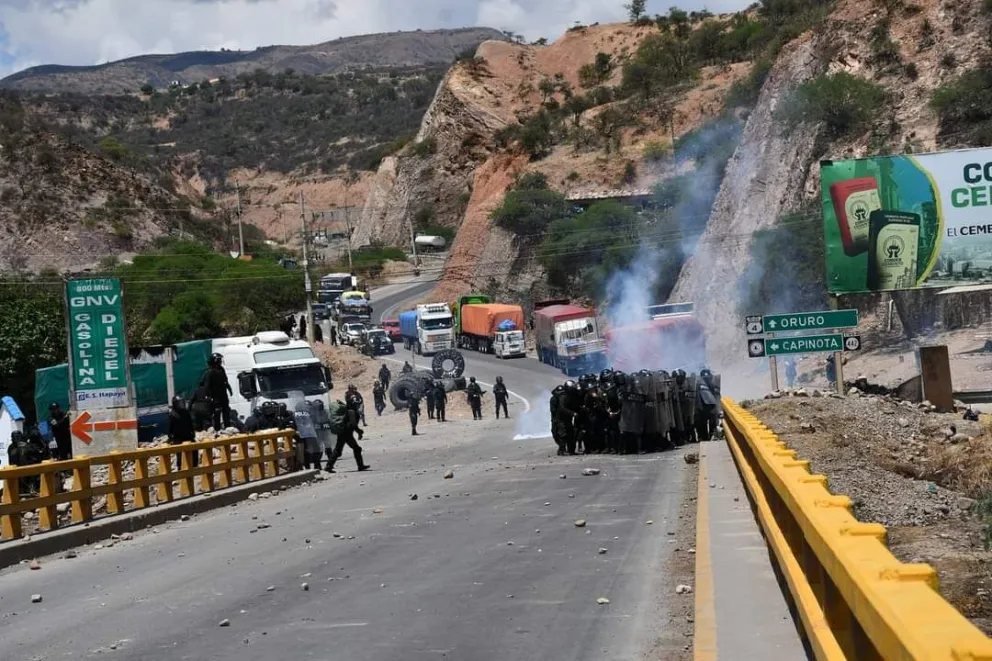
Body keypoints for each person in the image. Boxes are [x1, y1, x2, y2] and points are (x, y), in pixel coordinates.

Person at [325, 397, 369, 473]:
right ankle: (360, 466)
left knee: (338, 450)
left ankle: (329, 466)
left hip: (344, 432)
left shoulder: (348, 410)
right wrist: (359, 432)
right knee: (356, 449)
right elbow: (353, 424)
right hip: (346, 433)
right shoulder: (351, 411)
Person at [201, 353, 233, 431]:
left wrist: (229, 388)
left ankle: (227, 426)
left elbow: (225, 380)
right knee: (217, 412)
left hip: (223, 394)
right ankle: (217, 429)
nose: (220, 362)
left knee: (226, 411)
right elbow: (206, 385)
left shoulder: (221, 369)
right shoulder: (210, 372)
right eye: (219, 360)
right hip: (215, 396)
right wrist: (206, 395)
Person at [167, 396, 198, 472]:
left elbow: (190, 424)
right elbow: (169, 428)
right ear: (175, 404)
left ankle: (194, 466)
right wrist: (171, 437)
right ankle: (180, 468)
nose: (181, 405)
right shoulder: (173, 415)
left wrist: (192, 432)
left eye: (182, 403)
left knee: (194, 449)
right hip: (178, 438)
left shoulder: (186, 413)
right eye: (179, 403)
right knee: (180, 454)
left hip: (188, 436)